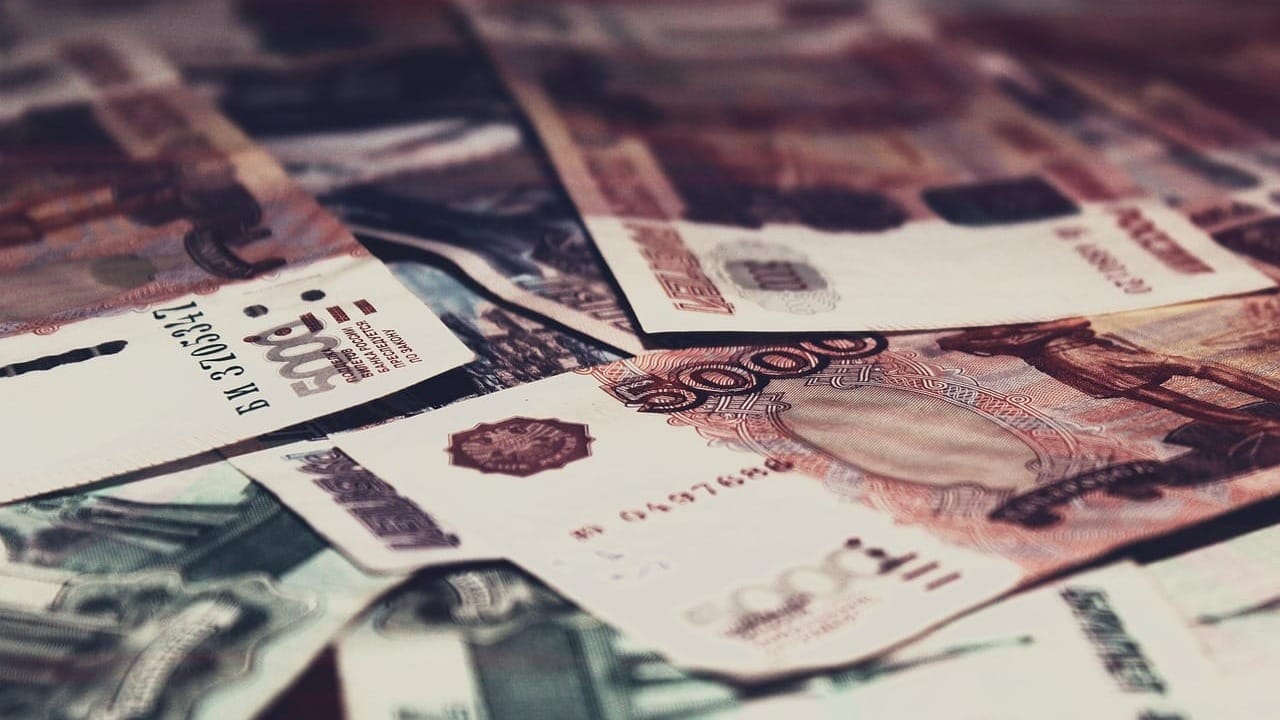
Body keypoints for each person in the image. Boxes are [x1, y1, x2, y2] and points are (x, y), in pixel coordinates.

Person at [938, 317, 1280, 435]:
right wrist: (1028, 336)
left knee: (1195, 367)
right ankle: (1260, 426)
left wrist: (1025, 337)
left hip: (1085, 351)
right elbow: (954, 341)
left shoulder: (1015, 316)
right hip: (1068, 362)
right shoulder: (976, 332)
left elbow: (1075, 321)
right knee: (1167, 398)